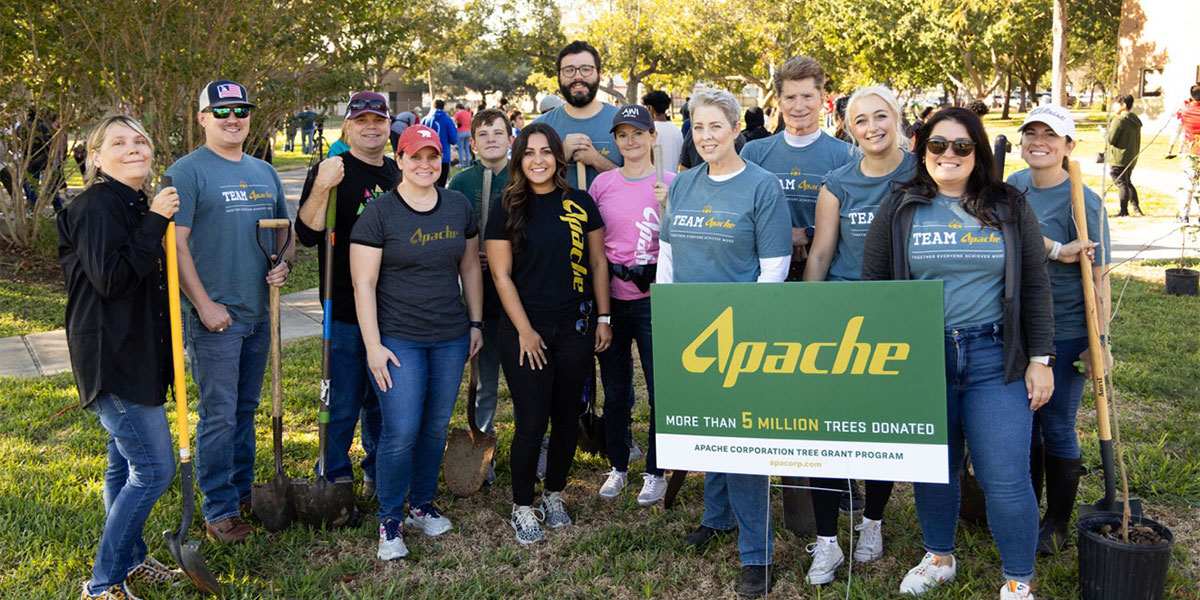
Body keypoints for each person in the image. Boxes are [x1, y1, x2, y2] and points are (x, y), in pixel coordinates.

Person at [862, 106, 1055, 600]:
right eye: (938, 145)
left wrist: (1041, 358)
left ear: (978, 152)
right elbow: (875, 282)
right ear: (922, 151)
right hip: (923, 356)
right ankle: (940, 555)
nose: (949, 154)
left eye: (962, 146)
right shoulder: (901, 204)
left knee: (1005, 476)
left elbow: (1035, 282)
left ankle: (1018, 581)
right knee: (934, 466)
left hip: (995, 356)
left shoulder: (1009, 204)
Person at [662, 90, 792, 599]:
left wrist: (747, 329)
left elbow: (774, 268)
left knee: (743, 442)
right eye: (698, 127)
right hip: (691, 327)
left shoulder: (762, 187)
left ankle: (756, 554)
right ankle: (716, 518)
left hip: (742, 332)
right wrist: (673, 315)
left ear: (737, 128)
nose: (706, 136)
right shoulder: (685, 184)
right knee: (711, 426)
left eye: (716, 126)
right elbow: (668, 256)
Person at [60, 115, 184, 600]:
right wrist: (156, 220)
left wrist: (152, 216)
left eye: (140, 141)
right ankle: (102, 584)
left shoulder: (133, 204)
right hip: (112, 357)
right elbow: (111, 279)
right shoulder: (95, 207)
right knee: (154, 470)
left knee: (123, 466)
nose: (133, 148)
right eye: (118, 142)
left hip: (139, 351)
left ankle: (130, 561)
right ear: (95, 156)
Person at [167, 79, 293, 544]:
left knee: (245, 408)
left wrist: (283, 264)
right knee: (218, 414)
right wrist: (203, 304)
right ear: (202, 119)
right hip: (215, 318)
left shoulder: (265, 172)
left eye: (240, 110)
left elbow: (285, 233)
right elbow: (176, 246)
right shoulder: (187, 171)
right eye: (221, 112)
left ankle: (241, 492)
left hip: (260, 313)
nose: (233, 118)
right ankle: (218, 510)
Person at [349, 123, 483, 560]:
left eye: (433, 156)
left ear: (442, 160)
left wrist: (475, 323)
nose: (425, 164)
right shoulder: (380, 213)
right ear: (400, 160)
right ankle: (390, 519)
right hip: (398, 338)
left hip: (448, 336)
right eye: (415, 156)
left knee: (433, 427)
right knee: (401, 430)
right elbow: (363, 285)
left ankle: (421, 505)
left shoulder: (458, 206)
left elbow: (469, 269)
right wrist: (373, 345)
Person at [801, 86, 917, 585]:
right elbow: (821, 254)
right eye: (860, 120)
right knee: (826, 429)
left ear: (897, 118)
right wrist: (810, 315)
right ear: (848, 128)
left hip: (901, 314)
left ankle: (873, 522)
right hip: (843, 317)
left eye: (881, 116)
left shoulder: (922, 172)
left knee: (879, 427)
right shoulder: (837, 183)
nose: (872, 127)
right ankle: (827, 542)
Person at [484, 123, 612, 545]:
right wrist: (524, 331)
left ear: (558, 158)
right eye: (529, 152)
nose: (538, 160)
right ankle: (522, 505)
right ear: (519, 159)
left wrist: (604, 317)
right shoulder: (506, 206)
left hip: (575, 325)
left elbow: (597, 264)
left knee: (565, 419)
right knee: (531, 421)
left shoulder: (580, 202)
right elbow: (501, 276)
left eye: (546, 152)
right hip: (526, 330)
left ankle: (553, 493)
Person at [1006, 105, 1111, 555]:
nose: (1039, 142)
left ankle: (1058, 521)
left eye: (1051, 135)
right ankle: (1027, 510)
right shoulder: (1013, 186)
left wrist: (1098, 341)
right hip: (1017, 326)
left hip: (1066, 328)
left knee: (1057, 424)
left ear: (1069, 146)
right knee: (1024, 424)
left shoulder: (1082, 200)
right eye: (1031, 133)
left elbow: (1101, 276)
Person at [295, 91, 400, 500]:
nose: (372, 127)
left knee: (382, 400)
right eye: (362, 120)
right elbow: (306, 234)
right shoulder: (332, 169)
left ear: (389, 125)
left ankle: (377, 472)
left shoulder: (397, 172)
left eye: (379, 119)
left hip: (391, 309)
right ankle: (334, 478)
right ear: (349, 126)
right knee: (341, 402)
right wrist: (322, 186)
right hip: (342, 307)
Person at [587, 105, 673, 506]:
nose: (631, 141)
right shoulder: (602, 184)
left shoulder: (670, 183)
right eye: (623, 135)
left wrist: (669, 203)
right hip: (614, 299)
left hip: (655, 299)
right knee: (616, 388)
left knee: (661, 388)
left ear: (653, 137)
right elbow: (594, 244)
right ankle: (619, 464)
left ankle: (656, 469)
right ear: (616, 141)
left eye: (638, 133)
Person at [741, 55, 857, 278]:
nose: (799, 106)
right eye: (791, 97)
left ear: (822, 99)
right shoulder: (753, 153)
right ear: (778, 101)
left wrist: (809, 234)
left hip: (826, 278)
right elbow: (741, 218)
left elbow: (854, 227)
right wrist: (783, 235)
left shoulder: (848, 156)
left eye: (807, 96)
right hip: (764, 277)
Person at [448, 108, 515, 478]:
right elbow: (450, 236)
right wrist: (470, 257)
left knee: (524, 379)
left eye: (498, 132)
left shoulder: (522, 178)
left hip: (519, 298)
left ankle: (531, 443)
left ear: (510, 139)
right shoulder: (460, 184)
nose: (492, 138)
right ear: (472, 143)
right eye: (484, 134)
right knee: (484, 379)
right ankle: (483, 441)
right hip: (478, 300)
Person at [533, 40, 622, 189]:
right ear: (559, 76)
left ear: (599, 74)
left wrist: (596, 160)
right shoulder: (539, 128)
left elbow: (638, 183)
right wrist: (560, 156)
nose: (577, 77)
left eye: (586, 69)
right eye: (569, 70)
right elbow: (527, 184)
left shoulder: (623, 122)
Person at [1167, 84, 1200, 222]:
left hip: (1189, 150)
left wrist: (1170, 147)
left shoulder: (1185, 109)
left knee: (1187, 184)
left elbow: (1176, 129)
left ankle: (1183, 215)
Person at [1106, 94, 1142, 217]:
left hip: (1119, 157)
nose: (1113, 107)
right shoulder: (1135, 120)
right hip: (1131, 156)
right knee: (1127, 182)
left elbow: (1111, 140)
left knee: (1122, 184)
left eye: (1116, 104)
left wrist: (1104, 133)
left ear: (1123, 105)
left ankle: (1123, 210)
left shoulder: (1119, 120)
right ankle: (1136, 208)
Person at [642, 89, 683, 172]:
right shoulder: (677, 131)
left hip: (652, 181)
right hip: (672, 180)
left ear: (650, 108)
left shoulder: (648, 131)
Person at [420, 99, 458, 187]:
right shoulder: (447, 120)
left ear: (432, 106)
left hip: (427, 157)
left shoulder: (425, 120)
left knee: (427, 185)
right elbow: (454, 139)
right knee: (441, 187)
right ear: (443, 107)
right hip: (443, 157)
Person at [454, 103, 473, 168]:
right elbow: (471, 122)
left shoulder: (458, 113)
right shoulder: (468, 114)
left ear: (458, 108)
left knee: (460, 149)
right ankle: (467, 163)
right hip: (468, 132)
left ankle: (461, 163)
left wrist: (457, 125)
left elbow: (454, 121)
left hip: (460, 132)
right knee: (467, 149)